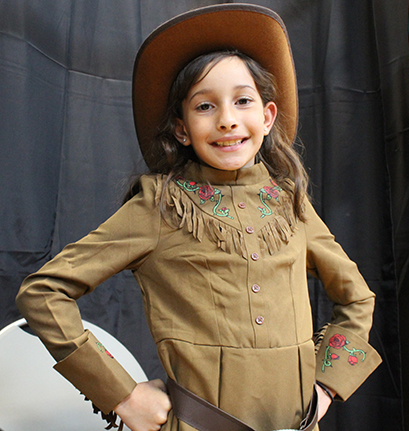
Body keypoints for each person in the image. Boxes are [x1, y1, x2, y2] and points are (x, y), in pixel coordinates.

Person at [16, 4, 381, 431]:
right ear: (182, 129)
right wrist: (121, 395)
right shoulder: (159, 204)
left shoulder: (290, 204)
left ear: (266, 118)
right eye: (205, 106)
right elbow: (44, 293)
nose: (227, 120)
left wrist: (327, 385)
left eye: (243, 101)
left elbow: (357, 297)